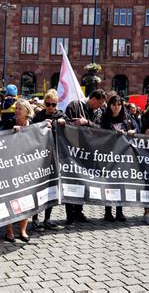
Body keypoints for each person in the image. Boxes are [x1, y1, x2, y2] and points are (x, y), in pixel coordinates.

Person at [64, 89, 106, 225]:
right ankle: (69, 213)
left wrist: (87, 122)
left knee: (83, 181)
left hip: (88, 152)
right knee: (71, 180)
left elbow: (100, 129)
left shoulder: (98, 112)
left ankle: (79, 210)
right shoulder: (74, 106)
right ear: (93, 99)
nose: (99, 107)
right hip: (73, 150)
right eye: (98, 104)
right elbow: (67, 125)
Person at [30, 89, 66, 231]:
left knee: (52, 187)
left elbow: (71, 130)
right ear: (44, 103)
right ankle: (35, 218)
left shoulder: (61, 115)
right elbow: (31, 131)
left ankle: (47, 218)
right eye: (48, 104)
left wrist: (62, 122)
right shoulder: (39, 116)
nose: (51, 107)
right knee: (38, 187)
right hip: (40, 157)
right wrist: (41, 125)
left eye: (54, 104)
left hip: (55, 156)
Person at [0, 99, 34, 242]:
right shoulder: (8, 123)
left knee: (26, 198)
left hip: (26, 168)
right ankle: (9, 232)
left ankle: (23, 230)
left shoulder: (33, 125)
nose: (17, 111)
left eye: (20, 108)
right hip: (10, 167)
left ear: (27, 111)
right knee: (10, 198)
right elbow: (0, 139)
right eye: (16, 108)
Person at [100, 95, 136, 223]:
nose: (116, 107)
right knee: (109, 183)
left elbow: (138, 128)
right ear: (110, 105)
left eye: (119, 104)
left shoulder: (127, 118)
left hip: (123, 156)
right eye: (114, 104)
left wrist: (133, 131)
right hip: (109, 156)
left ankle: (120, 211)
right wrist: (114, 134)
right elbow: (100, 133)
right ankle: (108, 211)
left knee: (121, 183)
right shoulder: (104, 118)